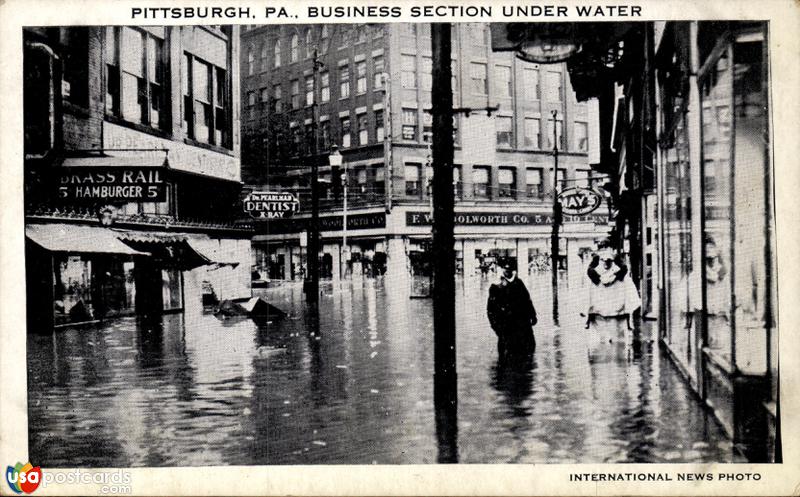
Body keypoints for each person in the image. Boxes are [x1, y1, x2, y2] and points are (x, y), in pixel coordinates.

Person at [487, 258, 537, 360]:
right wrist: (496, 327)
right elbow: (491, 310)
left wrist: (533, 315)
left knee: (527, 353)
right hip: (506, 328)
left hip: (523, 326)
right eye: (505, 268)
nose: (507, 271)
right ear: (502, 269)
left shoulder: (519, 283)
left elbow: (527, 301)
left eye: (510, 269)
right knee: (506, 358)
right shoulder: (496, 287)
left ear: (513, 270)